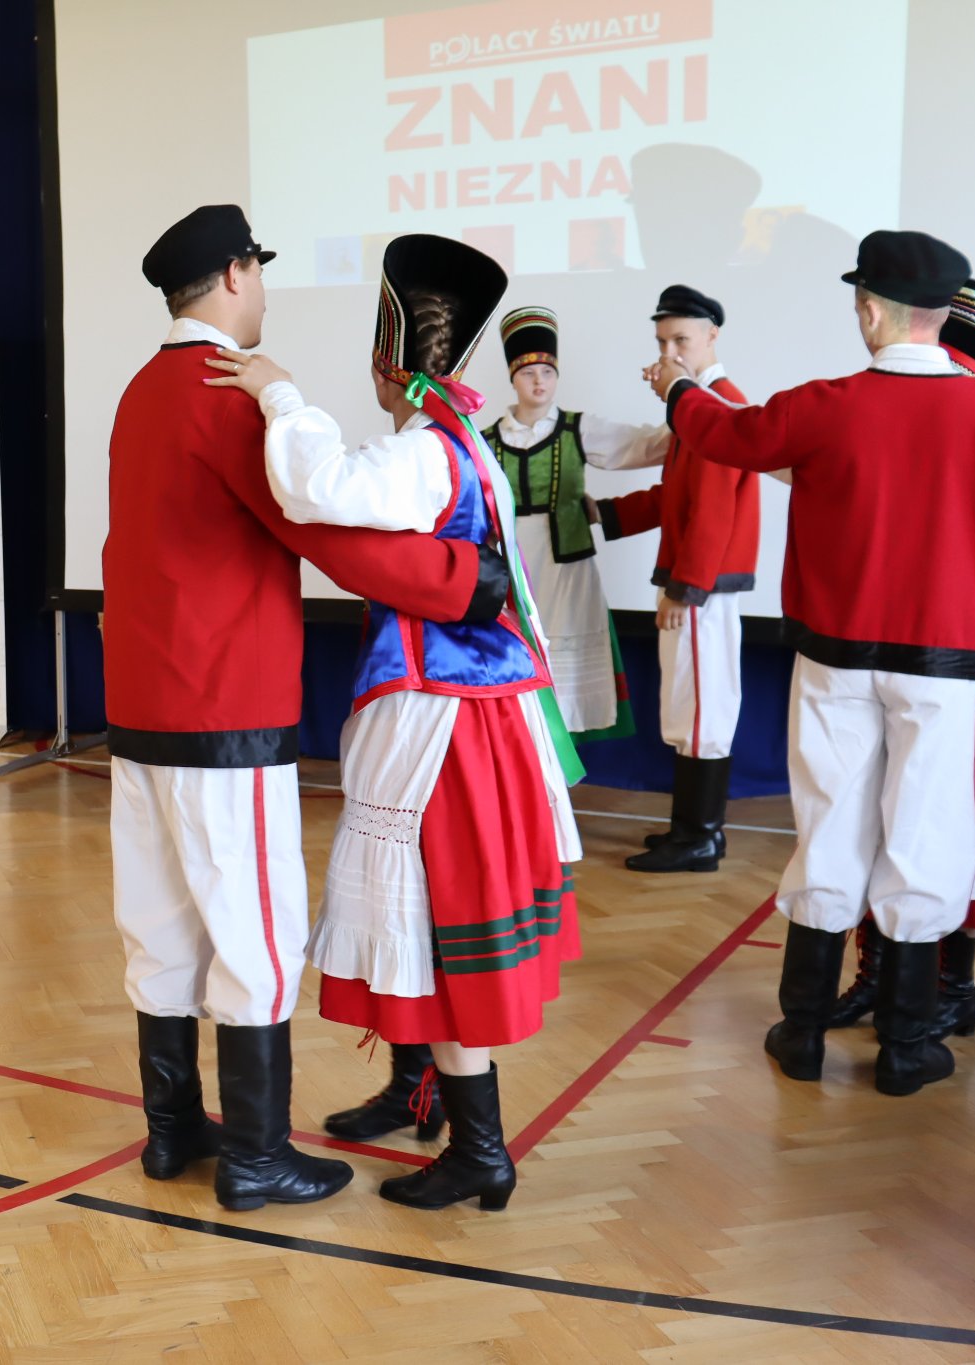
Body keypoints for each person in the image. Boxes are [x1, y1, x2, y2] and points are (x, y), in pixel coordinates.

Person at [109, 206, 507, 1213]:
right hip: (222, 707)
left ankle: (172, 1131)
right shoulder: (223, 391)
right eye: (261, 271)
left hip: (139, 710)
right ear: (237, 275)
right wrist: (461, 583)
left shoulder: (140, 389)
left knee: (159, 928)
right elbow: (322, 528)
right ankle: (255, 1156)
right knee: (254, 931)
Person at [214, 234, 582, 1213]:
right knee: (415, 908)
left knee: (436, 913)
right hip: (479, 714)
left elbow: (319, 488)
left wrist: (281, 397)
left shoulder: (421, 451)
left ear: (390, 368)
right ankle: (419, 1090)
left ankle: (480, 1150)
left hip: (441, 721)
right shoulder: (465, 445)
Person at [656, 231, 975, 1095]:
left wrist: (678, 386)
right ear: (943, 316)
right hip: (947, 665)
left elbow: (726, 434)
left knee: (830, 828)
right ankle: (906, 1045)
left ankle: (801, 1030)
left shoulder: (825, 403)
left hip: (834, 657)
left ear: (869, 310)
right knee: (925, 837)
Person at [829, 278, 975, 1039]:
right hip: (896, 645)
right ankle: (881, 975)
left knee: (955, 816)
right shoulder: (930, 411)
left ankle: (950, 984)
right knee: (885, 812)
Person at [593, 286, 757, 874]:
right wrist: (605, 513)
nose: (669, 353)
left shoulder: (718, 406)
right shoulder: (695, 408)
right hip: (699, 583)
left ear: (712, 337)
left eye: (680, 340)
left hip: (704, 588)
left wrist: (683, 588)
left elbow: (713, 510)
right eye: (662, 342)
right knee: (690, 703)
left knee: (703, 707)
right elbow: (677, 497)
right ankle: (691, 830)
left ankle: (701, 837)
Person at [480, 307, 673, 743]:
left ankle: (562, 755)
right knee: (519, 653)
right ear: (513, 378)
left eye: (547, 372)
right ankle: (526, 749)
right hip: (513, 567)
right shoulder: (487, 440)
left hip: (567, 566)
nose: (539, 381)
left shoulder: (577, 429)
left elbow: (648, 445)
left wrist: (690, 401)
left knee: (563, 662)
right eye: (529, 373)